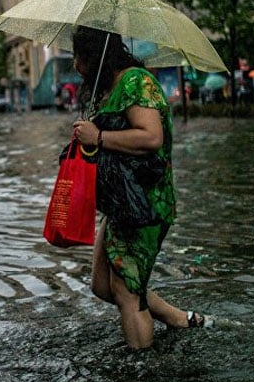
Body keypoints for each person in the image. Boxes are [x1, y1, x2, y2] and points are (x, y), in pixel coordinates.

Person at [69, 26, 210, 351]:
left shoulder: (136, 81)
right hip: (121, 202)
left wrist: (99, 137)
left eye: (80, 56)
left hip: (144, 204)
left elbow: (151, 137)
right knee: (102, 286)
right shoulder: (109, 88)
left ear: (96, 56)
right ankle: (178, 319)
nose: (76, 65)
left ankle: (143, 375)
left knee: (127, 292)